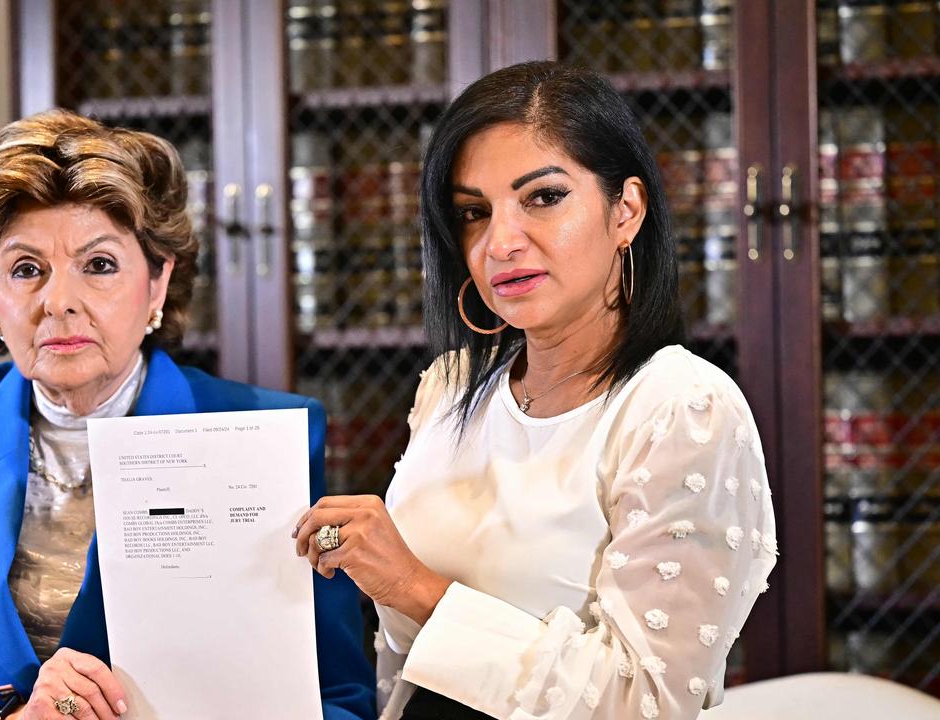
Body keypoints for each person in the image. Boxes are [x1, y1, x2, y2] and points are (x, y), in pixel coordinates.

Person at [0, 110, 375, 720]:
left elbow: (338, 697)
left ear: (158, 281)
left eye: (100, 265)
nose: (60, 302)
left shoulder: (265, 434)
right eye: (26, 270)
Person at [294, 61, 778, 720]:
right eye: (473, 212)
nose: (500, 242)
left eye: (543, 197)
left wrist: (415, 587)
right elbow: (405, 661)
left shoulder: (681, 408)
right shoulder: (451, 390)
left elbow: (646, 701)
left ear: (626, 210)